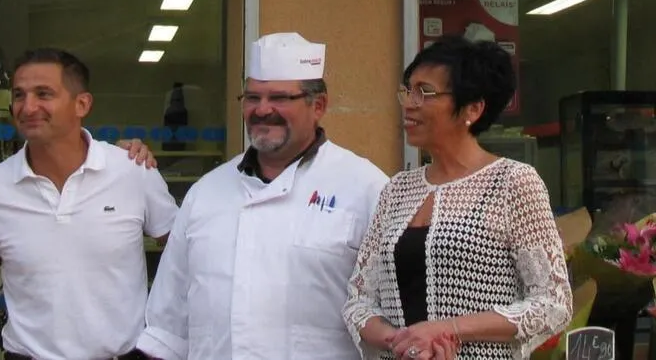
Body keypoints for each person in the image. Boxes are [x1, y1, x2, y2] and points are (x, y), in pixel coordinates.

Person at [137, 32, 389, 360]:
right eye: (252, 97)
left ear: (319, 106)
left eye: (280, 98)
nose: (262, 109)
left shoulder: (366, 187)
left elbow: (395, 309)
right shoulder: (207, 192)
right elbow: (168, 322)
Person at [342, 35, 573, 360]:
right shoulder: (397, 190)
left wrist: (449, 329)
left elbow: (552, 303)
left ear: (473, 108)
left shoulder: (513, 183)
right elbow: (359, 299)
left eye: (425, 92)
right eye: (408, 90)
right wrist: (403, 342)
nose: (409, 103)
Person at [0, 48, 179, 360]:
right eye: (19, 95)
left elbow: (185, 260)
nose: (28, 107)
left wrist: (167, 340)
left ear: (82, 104)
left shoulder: (132, 171)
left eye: (43, 94)